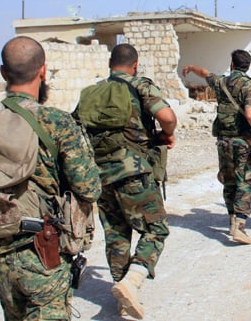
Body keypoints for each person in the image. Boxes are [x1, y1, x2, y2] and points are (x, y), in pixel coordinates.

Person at [0, 36, 102, 320]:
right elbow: (89, 187)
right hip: (42, 250)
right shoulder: (56, 122)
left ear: (3, 72)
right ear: (43, 71)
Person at [75, 43, 177, 319]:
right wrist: (167, 133)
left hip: (101, 176)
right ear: (135, 64)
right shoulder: (140, 85)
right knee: (156, 229)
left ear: (110, 63)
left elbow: (76, 130)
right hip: (133, 172)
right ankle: (132, 282)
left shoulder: (92, 92)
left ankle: (123, 296)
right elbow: (167, 116)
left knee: (117, 235)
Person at [181, 50, 251, 245]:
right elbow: (250, 114)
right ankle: (239, 226)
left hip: (223, 141)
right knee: (244, 182)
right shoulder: (250, 85)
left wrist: (190, 68)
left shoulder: (222, 82)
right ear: (247, 66)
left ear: (232, 64)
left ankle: (232, 219)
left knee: (229, 180)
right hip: (243, 142)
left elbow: (204, 73)